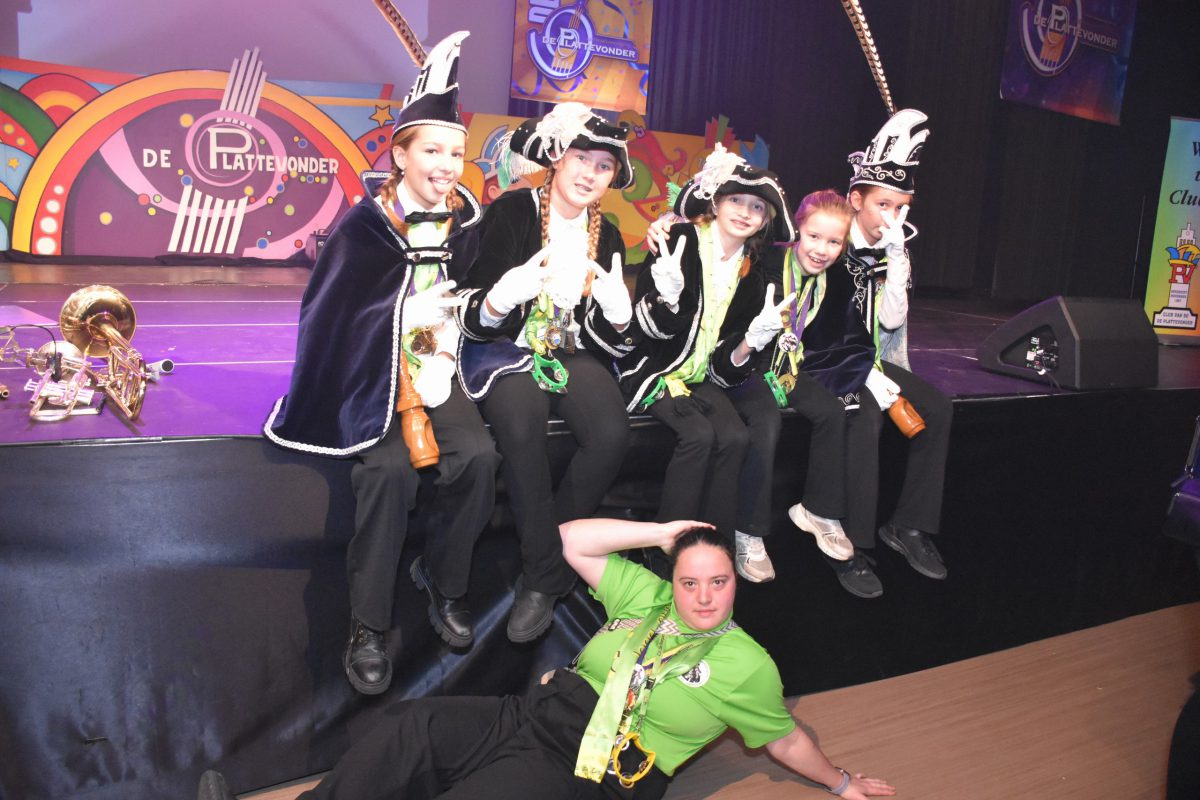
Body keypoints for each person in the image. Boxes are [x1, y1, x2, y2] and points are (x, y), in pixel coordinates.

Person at [197, 518, 897, 800]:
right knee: (410, 729)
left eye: (718, 581)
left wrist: (841, 784)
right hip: (532, 715)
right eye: (691, 581)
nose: (704, 595)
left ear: (735, 582)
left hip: (595, 771)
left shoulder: (748, 665)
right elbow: (570, 540)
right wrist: (661, 530)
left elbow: (784, 738)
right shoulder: (647, 595)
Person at [264, 32, 499, 694]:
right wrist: (400, 321)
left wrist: (460, 328)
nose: (447, 165)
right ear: (400, 154)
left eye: (455, 152)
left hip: (439, 368)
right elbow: (331, 316)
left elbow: (476, 301)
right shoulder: (364, 226)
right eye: (432, 151)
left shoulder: (468, 223)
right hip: (373, 376)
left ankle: (444, 581)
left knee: (480, 459)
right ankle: (367, 624)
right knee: (389, 472)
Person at [455, 102, 635, 643]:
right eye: (581, 158)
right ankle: (546, 573)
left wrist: (617, 315)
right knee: (522, 421)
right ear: (557, 158)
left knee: (611, 433)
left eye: (603, 166)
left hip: (569, 351)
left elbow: (608, 340)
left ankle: (542, 566)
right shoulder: (513, 212)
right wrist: (503, 296)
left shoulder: (610, 235)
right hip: (505, 349)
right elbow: (476, 315)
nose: (589, 173)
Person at [621, 144, 795, 572]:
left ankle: (713, 548)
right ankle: (667, 548)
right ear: (716, 202)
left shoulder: (753, 271)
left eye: (757, 206)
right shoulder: (678, 239)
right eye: (736, 200)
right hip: (655, 368)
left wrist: (749, 343)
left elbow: (722, 367)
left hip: (701, 378)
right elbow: (647, 332)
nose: (745, 212)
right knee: (698, 435)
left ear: (765, 220)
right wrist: (668, 300)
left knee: (735, 438)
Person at [724, 190, 864, 583]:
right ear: (798, 228)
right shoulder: (765, 259)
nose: (821, 249)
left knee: (833, 410)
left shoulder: (829, 277)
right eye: (814, 236)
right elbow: (722, 236)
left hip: (783, 367)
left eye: (834, 241)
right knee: (766, 420)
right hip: (741, 362)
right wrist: (670, 222)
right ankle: (748, 531)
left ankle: (818, 510)